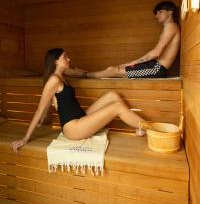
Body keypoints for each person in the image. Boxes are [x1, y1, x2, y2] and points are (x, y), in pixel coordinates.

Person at [11, 48, 152, 153]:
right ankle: (150, 129)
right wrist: (25, 138)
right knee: (117, 107)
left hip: (81, 117)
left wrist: (89, 73)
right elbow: (39, 110)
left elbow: (79, 73)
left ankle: (138, 127)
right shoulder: (53, 80)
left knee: (112, 95)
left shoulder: (62, 75)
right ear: (56, 62)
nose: (69, 59)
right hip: (74, 128)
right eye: (65, 57)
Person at [86, 1, 180, 79]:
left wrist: (132, 63)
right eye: (156, 13)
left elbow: (156, 52)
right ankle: (87, 74)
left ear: (170, 11)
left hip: (157, 69)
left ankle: (84, 75)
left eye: (160, 12)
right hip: (154, 65)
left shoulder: (170, 26)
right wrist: (129, 64)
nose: (156, 15)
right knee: (115, 68)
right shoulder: (171, 27)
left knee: (113, 70)